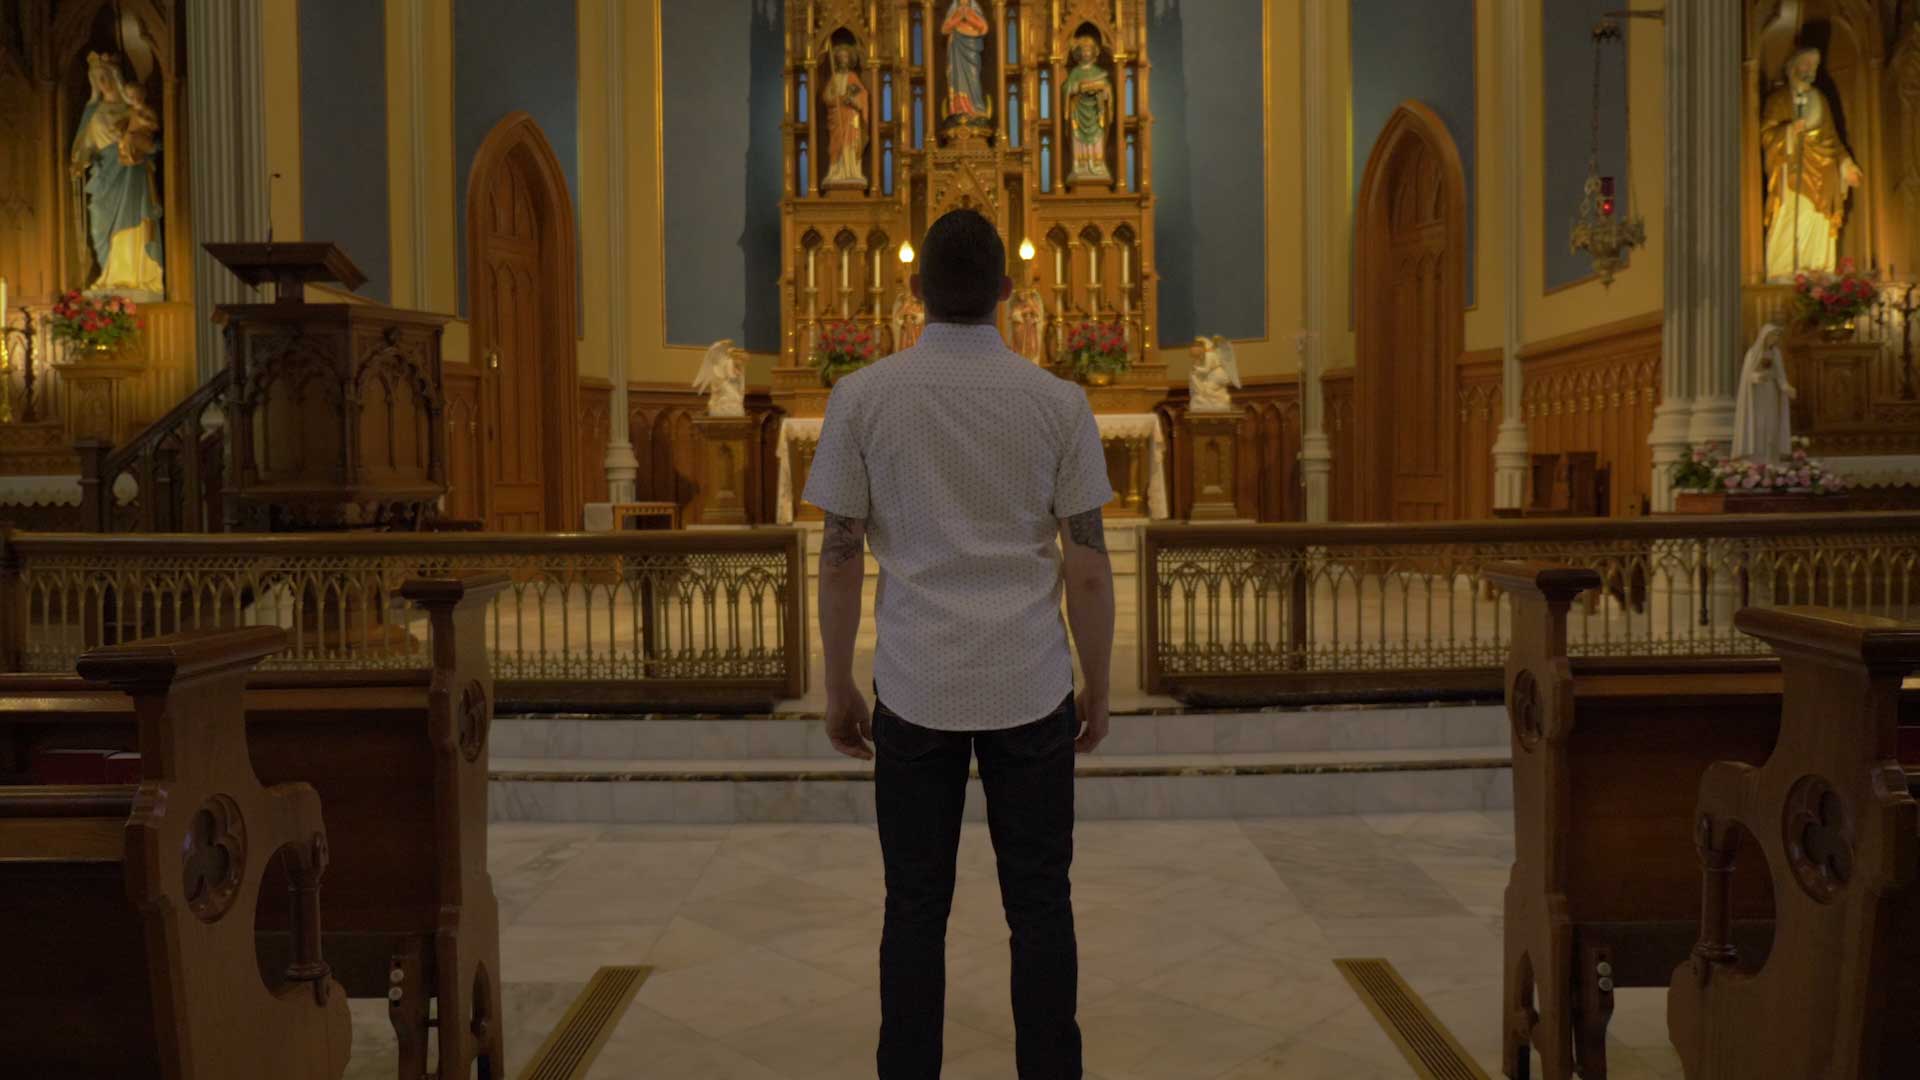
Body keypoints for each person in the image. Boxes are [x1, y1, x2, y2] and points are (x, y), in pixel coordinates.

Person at [803, 208, 1114, 1080]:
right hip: (1030, 679)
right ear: (1008, 294)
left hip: (915, 681)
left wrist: (836, 685)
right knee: (1042, 907)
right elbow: (1086, 565)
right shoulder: (1059, 403)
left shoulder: (862, 396)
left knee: (913, 908)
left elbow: (836, 560)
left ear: (915, 293)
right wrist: (1098, 685)